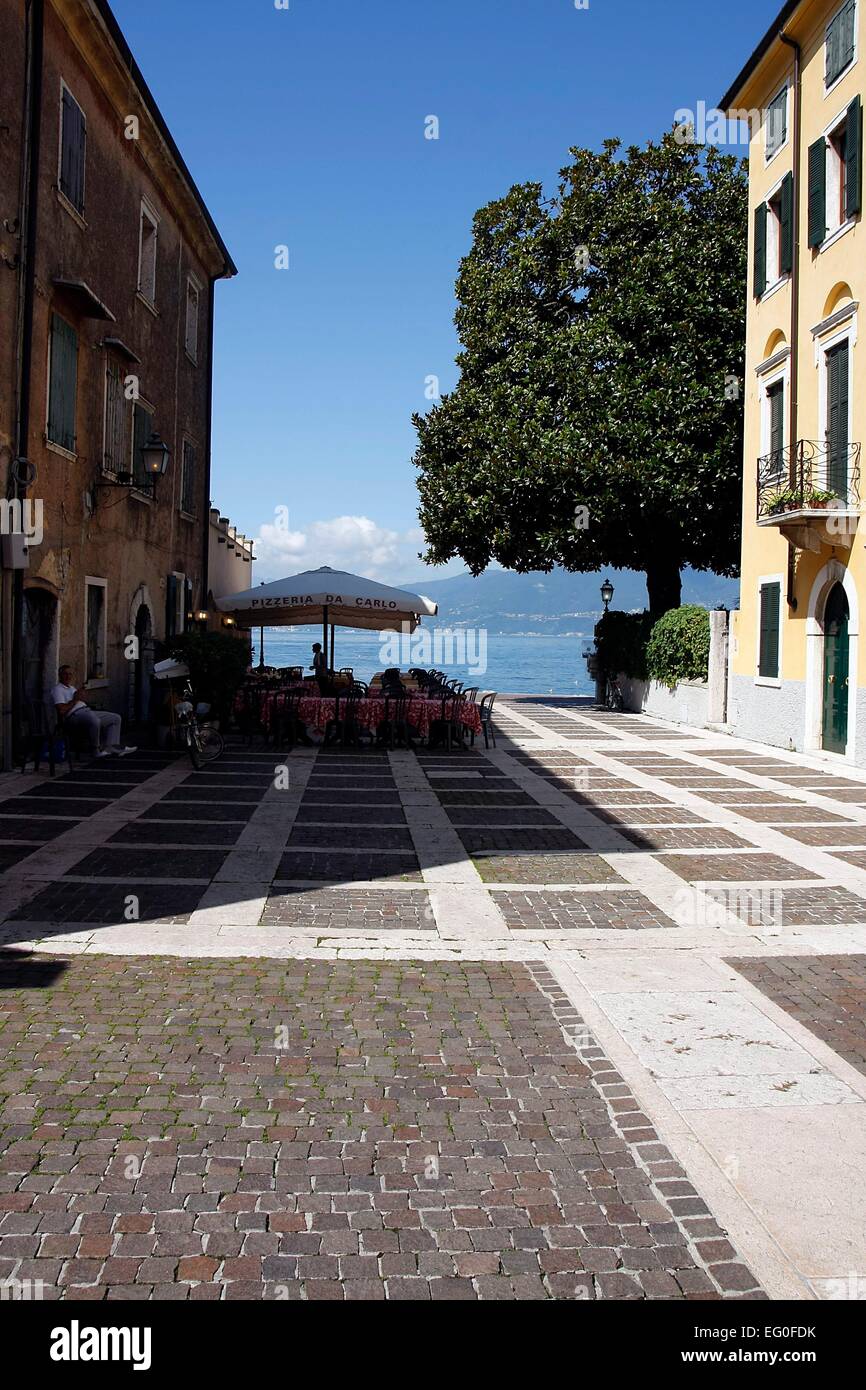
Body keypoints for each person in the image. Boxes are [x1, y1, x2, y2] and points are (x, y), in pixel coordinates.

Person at [51, 665, 137, 759]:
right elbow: (61, 710)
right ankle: (95, 750)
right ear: (60, 675)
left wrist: (82, 697)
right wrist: (75, 700)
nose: (68, 676)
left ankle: (110, 747)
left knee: (115, 718)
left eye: (70, 674)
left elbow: (79, 701)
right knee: (94, 720)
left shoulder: (71, 688)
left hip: (85, 711)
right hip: (73, 716)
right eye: (65, 674)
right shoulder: (58, 689)